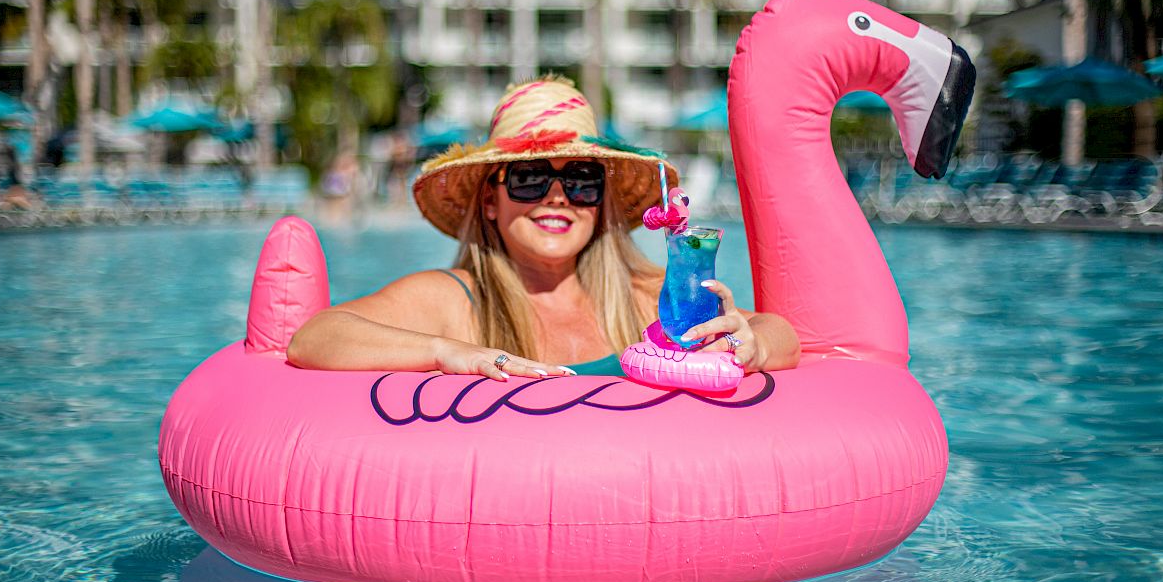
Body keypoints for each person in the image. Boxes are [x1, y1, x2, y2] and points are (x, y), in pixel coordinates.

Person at [287, 75, 799, 379]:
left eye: (581, 179)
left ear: (600, 202)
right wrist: (444, 351)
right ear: (490, 200)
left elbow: (780, 332)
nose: (558, 195)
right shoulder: (454, 302)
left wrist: (745, 346)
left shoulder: (644, 297)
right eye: (530, 178)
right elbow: (315, 335)